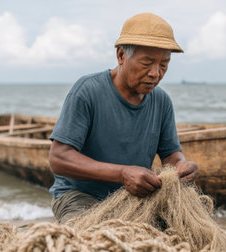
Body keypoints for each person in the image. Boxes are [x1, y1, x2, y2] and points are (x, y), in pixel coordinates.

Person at [48, 12, 198, 224]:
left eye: (164, 64)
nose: (155, 73)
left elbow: (170, 155)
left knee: (180, 232)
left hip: (135, 198)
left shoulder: (162, 101)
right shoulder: (87, 91)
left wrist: (182, 167)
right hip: (79, 196)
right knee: (92, 240)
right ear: (121, 56)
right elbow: (58, 159)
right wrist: (122, 174)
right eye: (147, 63)